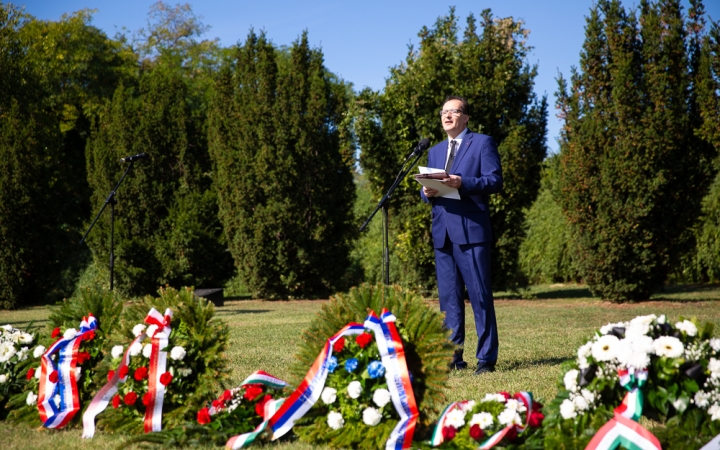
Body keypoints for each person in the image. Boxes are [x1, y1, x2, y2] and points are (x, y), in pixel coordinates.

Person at [420, 95, 503, 375]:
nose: (447, 116)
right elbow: (430, 190)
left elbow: (494, 181)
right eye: (443, 112)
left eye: (453, 112)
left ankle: (486, 359)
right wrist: (426, 192)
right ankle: (453, 357)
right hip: (443, 232)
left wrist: (462, 183)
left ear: (465, 118)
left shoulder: (481, 143)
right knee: (449, 299)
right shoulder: (435, 151)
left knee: (479, 295)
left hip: (471, 231)